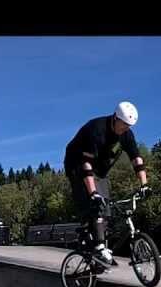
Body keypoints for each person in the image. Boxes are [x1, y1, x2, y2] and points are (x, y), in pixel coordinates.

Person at [64, 101, 150, 266]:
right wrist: (93, 193)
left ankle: (99, 250)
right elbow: (86, 165)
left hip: (100, 171)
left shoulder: (127, 134)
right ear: (115, 118)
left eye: (129, 126)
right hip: (77, 165)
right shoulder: (97, 130)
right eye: (124, 125)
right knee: (95, 203)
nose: (125, 129)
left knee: (106, 210)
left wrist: (144, 185)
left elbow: (136, 159)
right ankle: (96, 245)